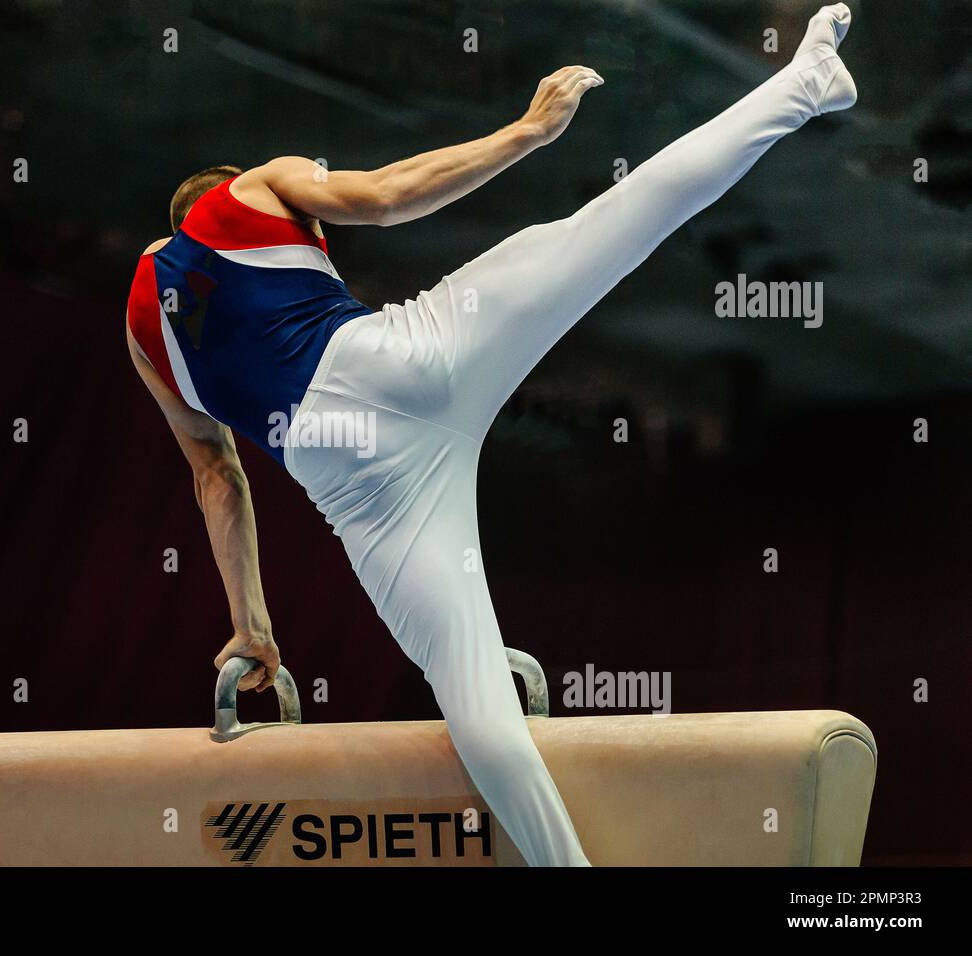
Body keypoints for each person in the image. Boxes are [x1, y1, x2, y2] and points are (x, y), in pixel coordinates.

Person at [125, 5, 856, 866]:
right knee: (617, 224)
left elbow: (219, 479)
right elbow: (390, 197)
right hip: (404, 362)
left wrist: (251, 625)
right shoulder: (253, 186)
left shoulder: (142, 332)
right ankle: (805, 82)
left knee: (480, 717)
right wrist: (526, 132)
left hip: (355, 494)